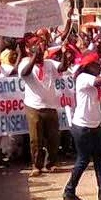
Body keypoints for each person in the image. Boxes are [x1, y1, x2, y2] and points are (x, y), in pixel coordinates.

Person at [63, 50, 101, 200]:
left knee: (100, 160)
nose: (99, 66)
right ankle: (69, 191)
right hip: (83, 127)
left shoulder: (90, 76)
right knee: (83, 159)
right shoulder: (83, 77)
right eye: (97, 64)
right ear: (89, 65)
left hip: (93, 125)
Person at [18, 36, 69, 177]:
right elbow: (24, 73)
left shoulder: (50, 63)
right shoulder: (25, 63)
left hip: (50, 106)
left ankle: (51, 163)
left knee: (53, 137)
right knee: (36, 139)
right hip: (34, 107)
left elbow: (63, 67)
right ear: (31, 50)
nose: (41, 49)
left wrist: (64, 53)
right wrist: (34, 57)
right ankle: (37, 165)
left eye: (41, 47)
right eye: (37, 46)